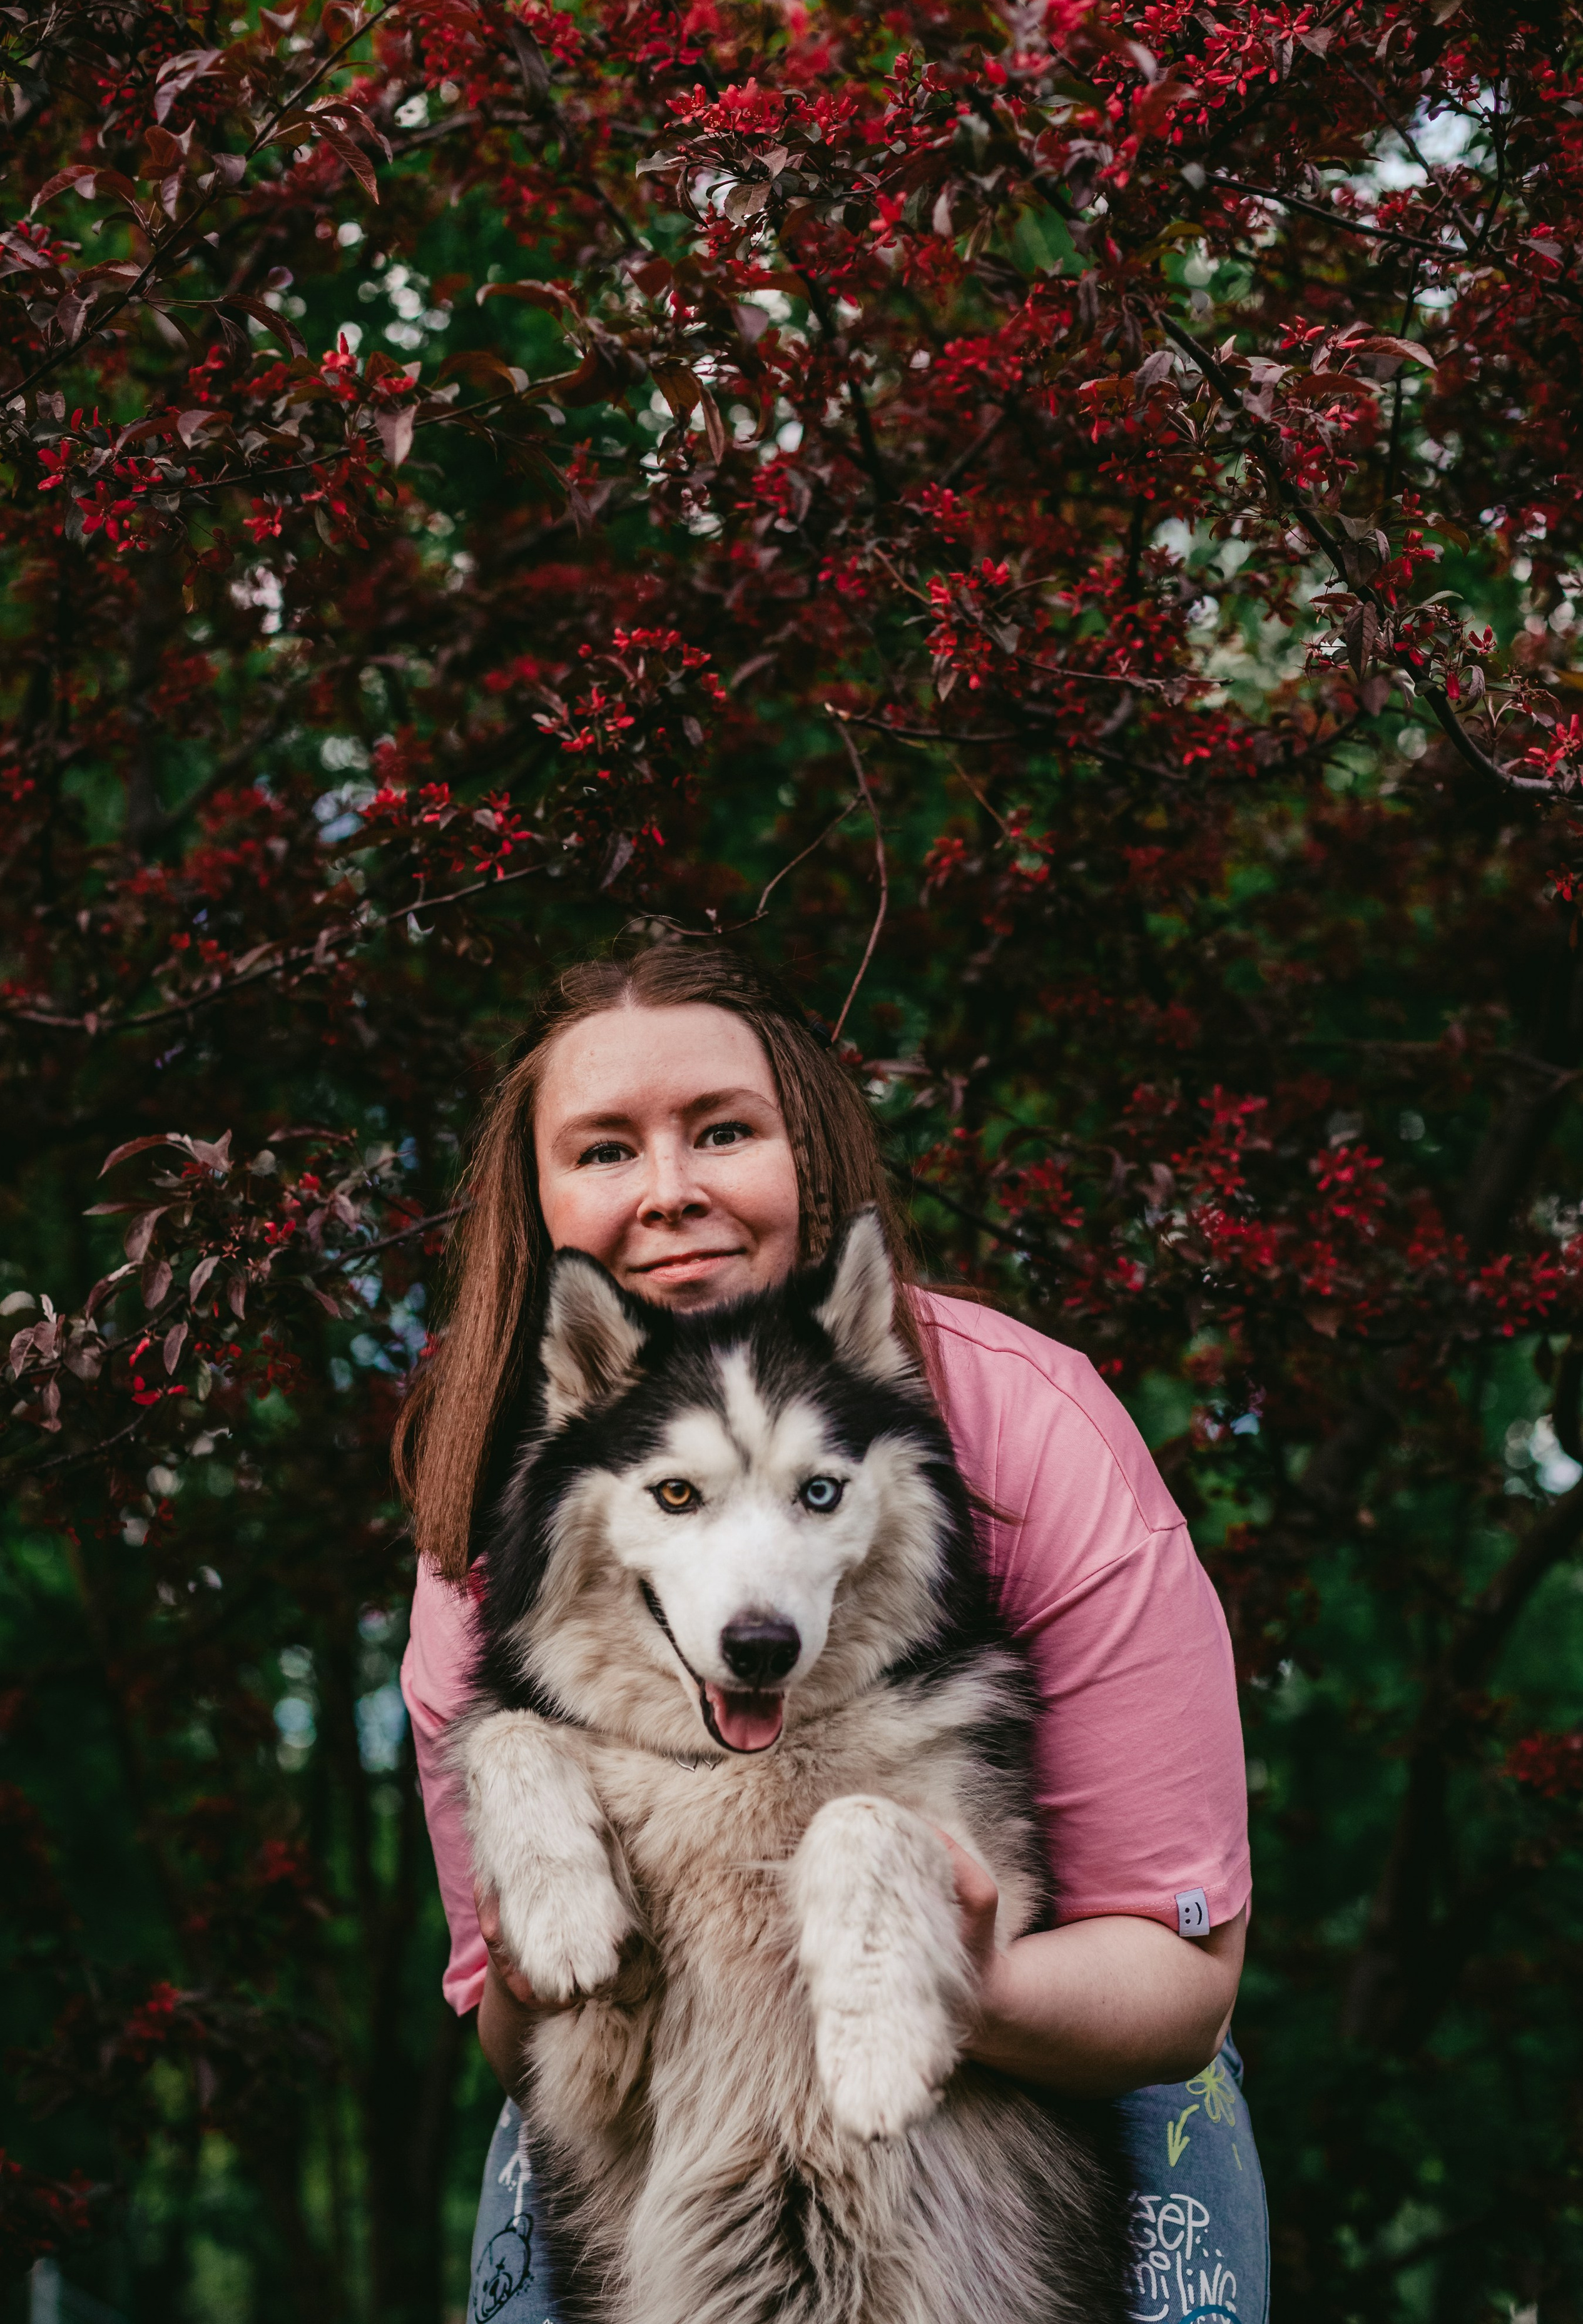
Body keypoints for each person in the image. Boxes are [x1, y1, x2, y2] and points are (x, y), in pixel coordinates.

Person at [398, 945, 1268, 2324]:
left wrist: (945, 1973)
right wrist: (531, 1899)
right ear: (543, 1201)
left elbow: (1179, 1988)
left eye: (722, 1130)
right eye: (606, 1148)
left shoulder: (1018, 1425)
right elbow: (519, 2028)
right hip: (662, 2132)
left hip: (1040, 2090)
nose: (670, 1188)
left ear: (808, 1150)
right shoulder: (500, 1515)